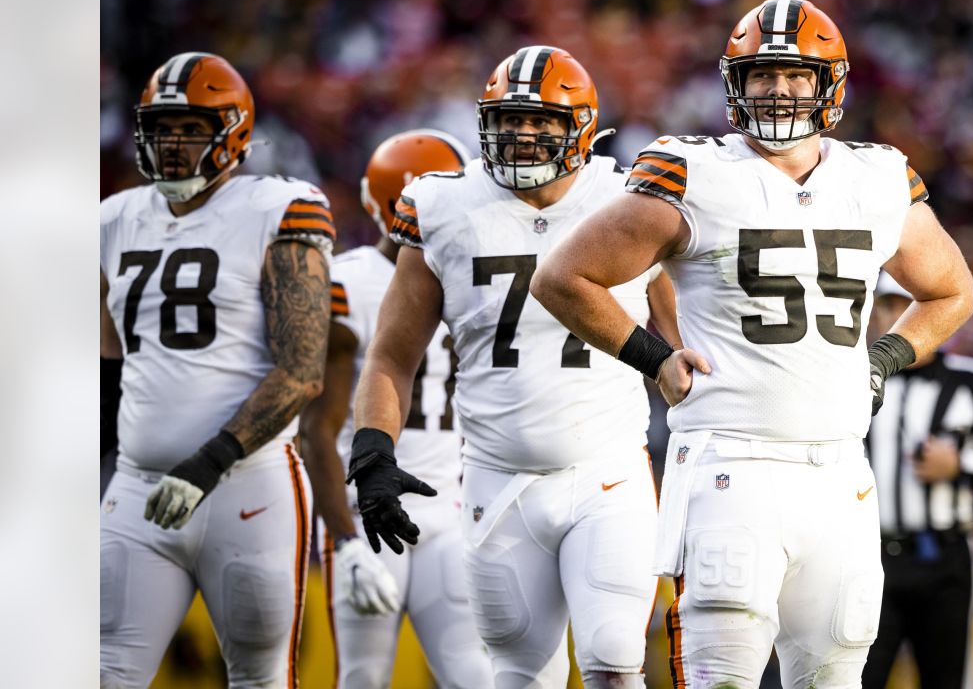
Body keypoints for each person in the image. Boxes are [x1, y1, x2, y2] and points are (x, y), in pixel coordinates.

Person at [530, 0, 973, 689]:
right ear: (734, 83)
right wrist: (654, 358)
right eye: (762, 74)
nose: (778, 89)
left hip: (839, 475)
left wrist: (885, 355)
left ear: (831, 82)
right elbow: (564, 276)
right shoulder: (692, 171)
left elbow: (951, 291)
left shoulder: (878, 177)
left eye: (796, 73)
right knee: (723, 677)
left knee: (834, 675)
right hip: (729, 463)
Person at [345, 46, 681, 689]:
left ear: (581, 125)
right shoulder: (442, 205)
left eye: (541, 121)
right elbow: (392, 353)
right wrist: (372, 453)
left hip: (609, 471)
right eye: (510, 120)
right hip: (497, 480)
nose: (523, 135)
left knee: (615, 664)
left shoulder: (629, 196)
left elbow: (682, 337)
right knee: (519, 675)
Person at [100, 52, 332, 688]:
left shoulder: (278, 207)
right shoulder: (112, 220)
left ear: (232, 132)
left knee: (259, 678)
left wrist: (207, 462)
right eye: (162, 127)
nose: (173, 144)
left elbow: (303, 370)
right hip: (138, 489)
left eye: (192, 128)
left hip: (246, 487)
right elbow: (102, 363)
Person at [298, 129, 493, 688]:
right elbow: (319, 430)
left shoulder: (467, 270)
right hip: (371, 514)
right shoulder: (349, 283)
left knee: (473, 675)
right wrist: (345, 541)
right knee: (364, 678)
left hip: (451, 512)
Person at [861, 273, 973, 689]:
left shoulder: (971, 380)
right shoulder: (852, 378)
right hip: (869, 557)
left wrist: (960, 464)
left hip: (946, 555)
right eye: (887, 305)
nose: (898, 316)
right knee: (856, 677)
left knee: (949, 678)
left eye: (911, 305)